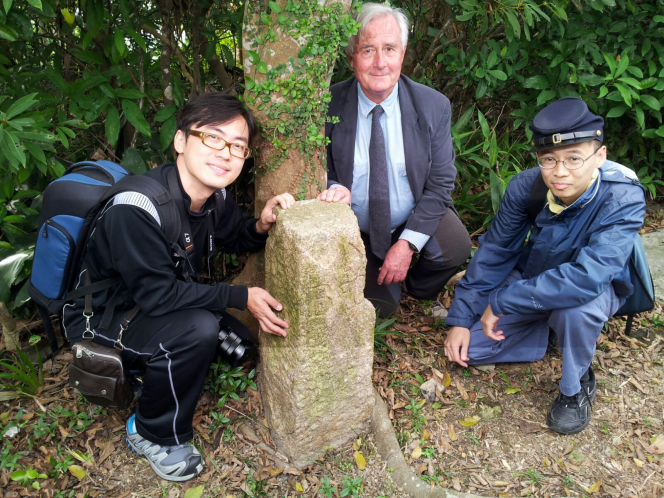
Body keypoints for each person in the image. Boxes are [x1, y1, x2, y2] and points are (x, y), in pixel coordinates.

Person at [62, 93, 294, 481]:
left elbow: (234, 236)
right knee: (198, 331)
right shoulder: (135, 207)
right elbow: (160, 296)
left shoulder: (214, 196)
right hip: (101, 318)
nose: (226, 153)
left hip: (147, 300)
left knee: (233, 342)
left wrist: (261, 225)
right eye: (213, 138)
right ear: (181, 140)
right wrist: (242, 298)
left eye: (237, 145)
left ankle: (154, 368)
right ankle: (150, 431)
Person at [444, 97, 646, 434]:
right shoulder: (528, 186)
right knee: (471, 349)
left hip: (592, 291)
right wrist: (462, 318)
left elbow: (588, 278)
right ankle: (553, 329)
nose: (560, 171)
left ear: (600, 156)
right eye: (548, 159)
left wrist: (504, 301)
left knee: (573, 312)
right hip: (535, 274)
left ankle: (575, 384)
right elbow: (496, 250)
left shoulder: (622, 196)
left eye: (574, 158)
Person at [318, 3, 471, 316]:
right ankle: (382, 277)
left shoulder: (432, 106)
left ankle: (414, 285)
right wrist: (333, 187)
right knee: (380, 310)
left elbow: (441, 182)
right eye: (368, 50)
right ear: (351, 58)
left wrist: (406, 245)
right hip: (357, 228)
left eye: (389, 49)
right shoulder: (327, 105)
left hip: (409, 216)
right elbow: (316, 170)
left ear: (402, 53)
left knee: (455, 245)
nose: (379, 63)